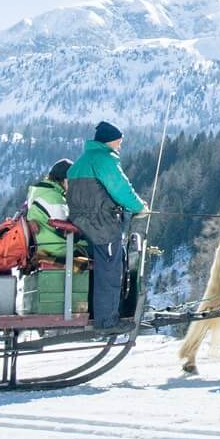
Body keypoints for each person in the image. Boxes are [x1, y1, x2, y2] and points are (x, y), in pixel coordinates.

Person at [65, 122, 146, 329]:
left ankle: (95, 313)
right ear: (110, 140)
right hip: (101, 224)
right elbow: (120, 189)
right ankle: (107, 321)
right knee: (109, 270)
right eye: (119, 140)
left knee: (97, 268)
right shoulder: (104, 160)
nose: (120, 144)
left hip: (81, 223)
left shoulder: (81, 162)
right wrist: (139, 207)